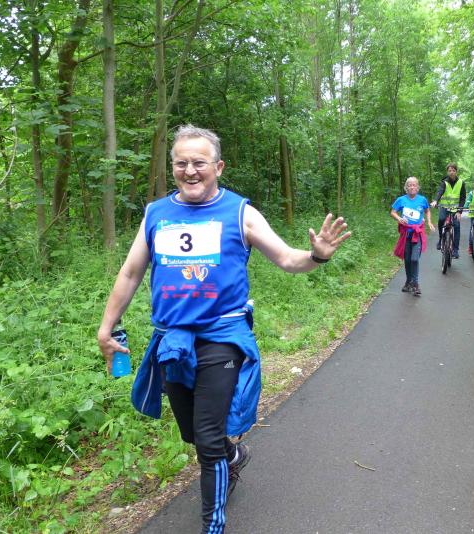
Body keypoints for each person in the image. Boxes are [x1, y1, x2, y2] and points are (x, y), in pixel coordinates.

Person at [96, 125, 350, 534]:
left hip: (222, 336)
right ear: (171, 167)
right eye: (181, 163)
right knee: (194, 434)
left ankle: (212, 525)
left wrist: (317, 256)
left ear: (218, 167)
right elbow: (129, 273)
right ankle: (233, 457)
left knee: (208, 437)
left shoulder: (240, 212)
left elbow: (287, 259)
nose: (190, 171)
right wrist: (106, 327)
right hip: (172, 339)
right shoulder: (156, 214)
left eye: (199, 162)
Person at [391, 177, 434, 297]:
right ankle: (408, 281)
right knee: (408, 259)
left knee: (414, 259)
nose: (412, 187)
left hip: (417, 234)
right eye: (409, 185)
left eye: (414, 185)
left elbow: (427, 211)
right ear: (406, 187)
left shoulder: (422, 199)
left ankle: (415, 284)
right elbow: (393, 212)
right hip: (406, 234)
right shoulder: (401, 200)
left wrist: (429, 222)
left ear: (418, 187)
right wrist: (399, 218)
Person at [430, 163, 466, 259]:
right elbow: (440, 191)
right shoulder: (444, 182)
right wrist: (435, 201)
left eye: (453, 170)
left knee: (457, 226)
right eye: (449, 171)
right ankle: (440, 239)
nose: (451, 172)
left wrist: (459, 212)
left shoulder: (461, 183)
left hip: (455, 209)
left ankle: (455, 250)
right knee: (441, 219)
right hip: (444, 207)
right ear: (447, 172)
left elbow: (463, 198)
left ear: (456, 172)